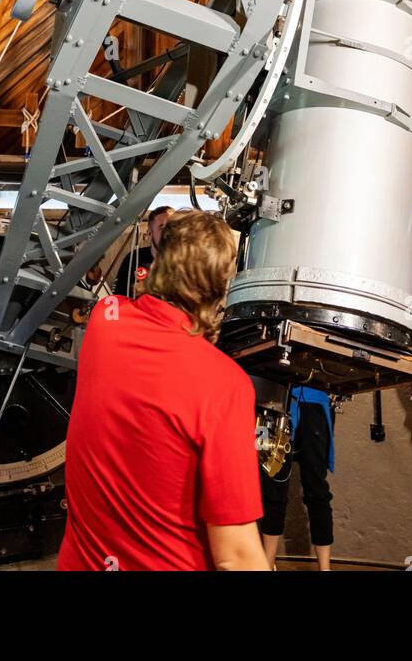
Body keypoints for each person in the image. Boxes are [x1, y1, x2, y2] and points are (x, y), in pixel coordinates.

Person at [58, 210, 269, 571]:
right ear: (222, 284)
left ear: (158, 259)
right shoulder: (225, 385)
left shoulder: (105, 320)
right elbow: (236, 557)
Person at [260, 386, 335, 570]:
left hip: (313, 402)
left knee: (316, 490)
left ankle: (325, 569)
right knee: (274, 486)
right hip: (276, 400)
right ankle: (267, 564)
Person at [113, 204, 175, 297]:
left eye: (172, 226)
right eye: (161, 227)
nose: (168, 231)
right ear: (150, 233)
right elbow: (119, 297)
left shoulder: (186, 262)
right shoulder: (134, 259)